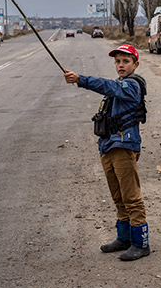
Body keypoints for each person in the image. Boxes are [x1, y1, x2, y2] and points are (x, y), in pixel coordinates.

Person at [63, 44, 150, 261]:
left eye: (126, 61)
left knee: (131, 197)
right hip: (109, 146)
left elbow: (107, 86)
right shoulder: (120, 85)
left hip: (123, 147)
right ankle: (124, 238)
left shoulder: (132, 85)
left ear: (135, 65)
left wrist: (81, 80)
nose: (121, 65)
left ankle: (141, 243)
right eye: (118, 61)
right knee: (118, 195)